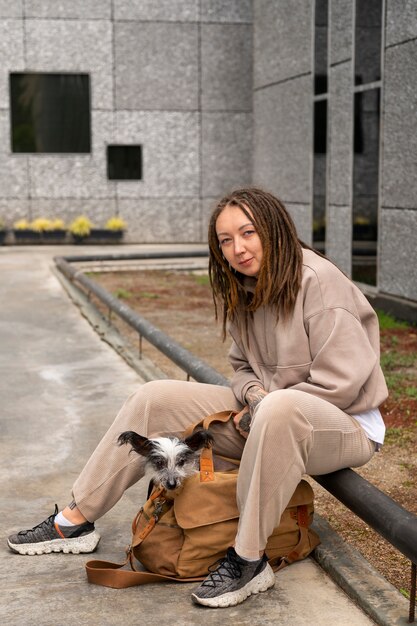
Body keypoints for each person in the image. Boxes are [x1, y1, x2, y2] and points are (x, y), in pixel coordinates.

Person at [7, 187, 388, 608]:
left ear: (274, 230)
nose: (238, 249)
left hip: (345, 424)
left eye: (248, 233)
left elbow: (344, 381)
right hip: (268, 414)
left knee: (280, 408)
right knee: (155, 398)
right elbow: (242, 368)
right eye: (226, 240)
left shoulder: (319, 282)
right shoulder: (246, 286)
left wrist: (265, 405)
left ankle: (248, 560)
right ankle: (74, 522)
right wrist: (256, 396)